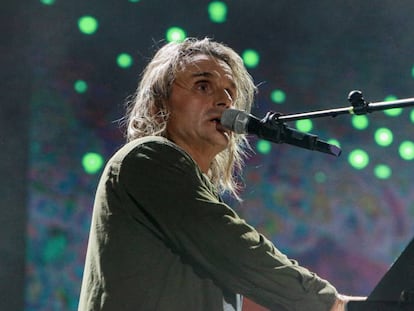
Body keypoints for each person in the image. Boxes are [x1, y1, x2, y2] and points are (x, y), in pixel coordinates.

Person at [78, 37, 363, 311]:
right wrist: (330, 303)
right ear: (158, 103)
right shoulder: (147, 158)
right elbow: (236, 249)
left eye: (230, 92)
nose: (224, 100)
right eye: (203, 86)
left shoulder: (191, 186)